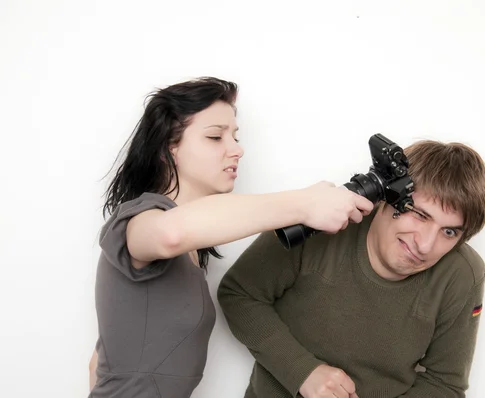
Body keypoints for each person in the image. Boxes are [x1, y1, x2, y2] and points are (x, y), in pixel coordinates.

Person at [87, 76, 374, 398]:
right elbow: (169, 234)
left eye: (235, 136)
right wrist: (303, 205)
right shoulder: (136, 220)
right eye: (215, 137)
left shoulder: (190, 253)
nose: (236, 150)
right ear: (169, 147)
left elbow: (100, 360)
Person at [217, 138, 485, 398]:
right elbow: (240, 293)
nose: (425, 245)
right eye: (419, 215)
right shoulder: (321, 220)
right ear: (386, 196)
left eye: (449, 232)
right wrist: (303, 372)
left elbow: (445, 385)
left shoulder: (463, 275)